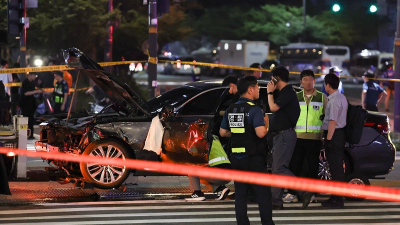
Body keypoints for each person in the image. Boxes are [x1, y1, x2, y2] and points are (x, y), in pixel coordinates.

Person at [220, 75, 274, 225]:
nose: (258, 90)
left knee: (241, 194)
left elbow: (223, 132)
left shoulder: (231, 109)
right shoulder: (255, 110)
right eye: (257, 87)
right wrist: (267, 124)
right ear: (250, 89)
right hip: (254, 157)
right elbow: (260, 133)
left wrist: (239, 132)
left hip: (236, 157)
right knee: (263, 194)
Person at [185, 76, 238, 201]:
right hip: (229, 173)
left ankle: (197, 193)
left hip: (222, 175)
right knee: (202, 169)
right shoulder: (214, 138)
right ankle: (219, 190)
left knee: (192, 164)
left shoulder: (205, 141)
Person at [266, 66, 312, 209]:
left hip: (284, 135)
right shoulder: (285, 93)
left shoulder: (287, 93)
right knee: (277, 169)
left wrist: (269, 92)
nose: (270, 81)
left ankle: (304, 191)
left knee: (279, 168)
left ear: (277, 78)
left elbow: (273, 107)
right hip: (281, 135)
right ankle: (276, 201)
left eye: (272, 79)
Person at [284, 70, 327, 203]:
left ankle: (311, 194)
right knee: (294, 166)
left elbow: (327, 118)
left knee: (312, 168)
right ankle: (292, 193)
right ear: (301, 82)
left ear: (314, 81)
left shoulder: (322, 97)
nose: (308, 82)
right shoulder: (296, 97)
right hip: (297, 138)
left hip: (314, 139)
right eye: (305, 79)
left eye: (310, 79)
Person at [321, 73, 348, 208]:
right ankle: (335, 197)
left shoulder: (334, 100)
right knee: (336, 167)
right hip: (339, 134)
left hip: (335, 135)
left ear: (328, 85)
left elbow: (333, 122)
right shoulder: (341, 97)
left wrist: (328, 140)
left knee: (335, 168)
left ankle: (337, 199)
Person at [18, 72, 43, 140]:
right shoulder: (25, 82)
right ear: (30, 75)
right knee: (25, 120)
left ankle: (31, 135)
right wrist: (35, 92)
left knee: (31, 120)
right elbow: (25, 93)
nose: (35, 77)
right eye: (34, 75)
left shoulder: (33, 82)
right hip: (25, 104)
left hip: (31, 104)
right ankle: (23, 134)